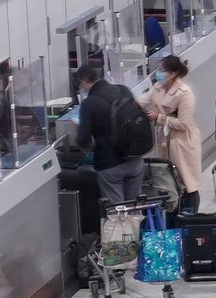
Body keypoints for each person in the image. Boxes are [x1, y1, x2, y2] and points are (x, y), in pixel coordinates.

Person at [74, 65, 147, 204]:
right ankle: (135, 226)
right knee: (134, 210)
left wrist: (82, 129)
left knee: (117, 213)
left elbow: (83, 140)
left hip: (110, 165)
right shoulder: (123, 90)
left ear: (83, 80)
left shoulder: (89, 103)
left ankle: (121, 225)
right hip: (135, 158)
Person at [144, 55, 202, 214]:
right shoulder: (158, 87)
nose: (158, 73)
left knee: (187, 181)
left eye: (162, 70)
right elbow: (143, 101)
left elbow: (184, 124)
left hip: (181, 142)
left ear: (173, 73)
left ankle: (190, 216)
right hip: (164, 139)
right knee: (167, 180)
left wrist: (159, 118)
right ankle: (172, 215)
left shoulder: (185, 93)